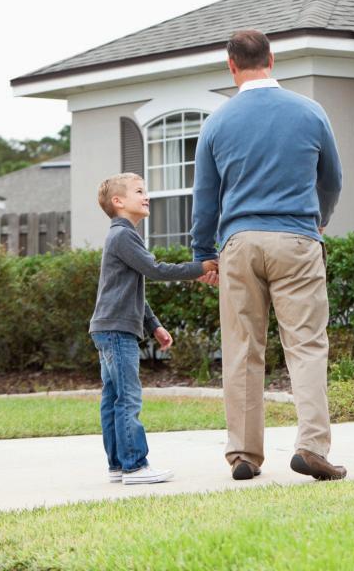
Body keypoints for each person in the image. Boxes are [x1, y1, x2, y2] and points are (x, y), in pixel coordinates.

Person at [190, 29, 346, 482]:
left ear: (231, 65)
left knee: (242, 349)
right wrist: (320, 219)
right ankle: (311, 445)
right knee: (307, 345)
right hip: (297, 239)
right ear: (271, 60)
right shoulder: (309, 112)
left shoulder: (217, 123)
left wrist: (203, 252)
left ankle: (243, 454)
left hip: (239, 242)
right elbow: (332, 179)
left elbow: (205, 197)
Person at [89, 173, 217, 485]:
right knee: (128, 398)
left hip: (108, 327)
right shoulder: (124, 235)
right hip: (117, 330)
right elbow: (155, 270)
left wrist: (154, 325)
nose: (146, 196)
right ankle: (135, 466)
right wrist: (198, 268)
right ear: (118, 202)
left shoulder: (120, 236)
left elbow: (131, 289)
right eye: (139, 191)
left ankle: (118, 465)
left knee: (114, 398)